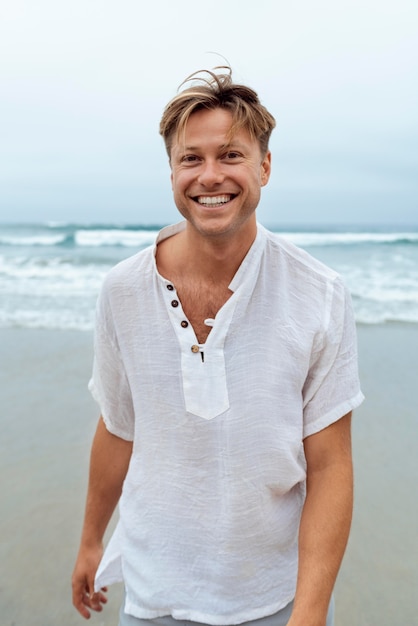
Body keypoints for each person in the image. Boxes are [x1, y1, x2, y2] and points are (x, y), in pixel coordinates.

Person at [72, 66, 364, 626]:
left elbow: (330, 468)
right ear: (172, 171)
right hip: (152, 596)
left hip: (272, 601)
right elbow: (117, 424)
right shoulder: (122, 290)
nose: (211, 176)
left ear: (265, 166)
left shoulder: (320, 294)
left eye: (231, 155)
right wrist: (90, 540)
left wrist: (310, 611)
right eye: (191, 158)